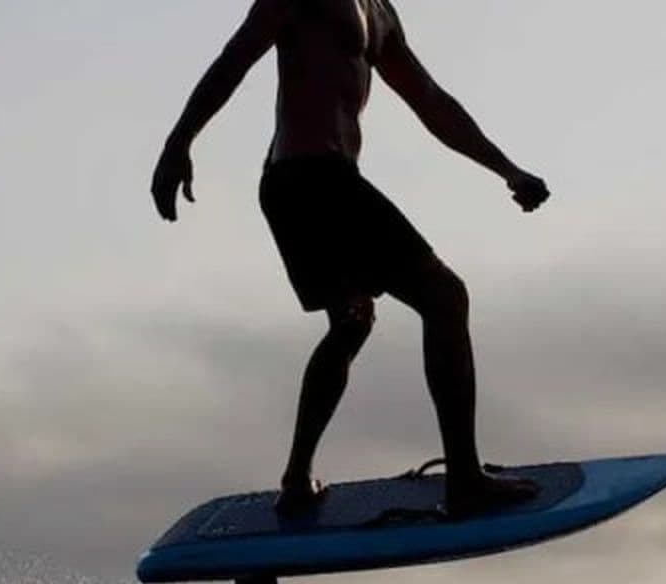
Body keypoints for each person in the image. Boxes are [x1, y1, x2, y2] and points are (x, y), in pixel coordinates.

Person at [151, 0, 550, 518]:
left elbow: (431, 102)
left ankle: (296, 481)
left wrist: (507, 169)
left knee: (351, 320)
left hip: (305, 183)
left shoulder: (379, 13)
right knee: (444, 297)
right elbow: (236, 57)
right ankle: (465, 479)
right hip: (312, 179)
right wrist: (178, 143)